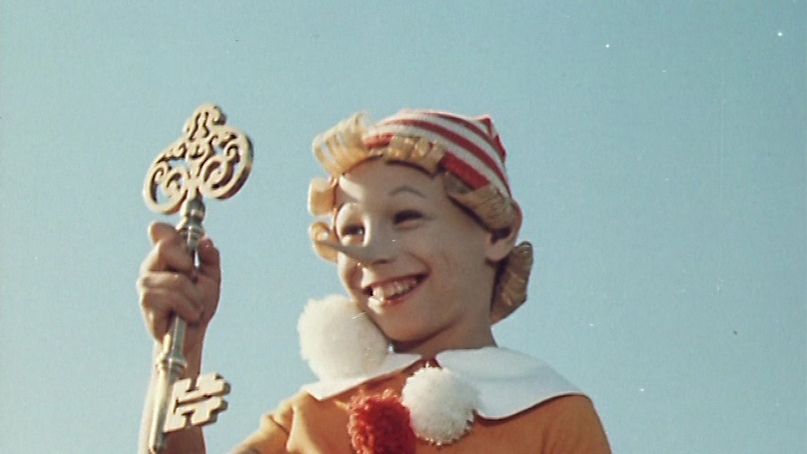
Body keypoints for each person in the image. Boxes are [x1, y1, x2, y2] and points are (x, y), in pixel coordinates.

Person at [138, 109, 612, 453]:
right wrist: (180, 350)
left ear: (497, 233)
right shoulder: (309, 414)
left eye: (406, 217)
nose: (371, 252)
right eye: (351, 231)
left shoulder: (553, 415)